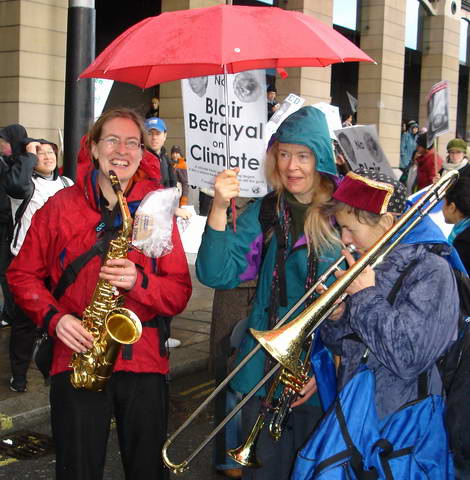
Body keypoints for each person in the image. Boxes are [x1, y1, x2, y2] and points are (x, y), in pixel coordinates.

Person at [7, 107, 192, 480]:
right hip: (76, 357)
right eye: (111, 139)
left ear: (142, 153)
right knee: (77, 469)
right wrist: (54, 319)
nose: (121, 150)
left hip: (143, 362)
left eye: (132, 142)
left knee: (146, 470)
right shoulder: (59, 207)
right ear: (92, 147)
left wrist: (139, 282)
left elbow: (178, 293)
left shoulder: (157, 209)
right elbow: (22, 275)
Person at [196, 106, 342, 480]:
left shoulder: (343, 215)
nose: (292, 165)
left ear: (320, 158)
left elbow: (359, 303)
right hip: (263, 371)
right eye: (284, 153)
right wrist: (218, 206)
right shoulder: (265, 212)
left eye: (303, 155)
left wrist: (327, 366)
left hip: (322, 376)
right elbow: (217, 273)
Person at [319, 168, 459, 419]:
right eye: (341, 228)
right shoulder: (369, 264)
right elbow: (344, 347)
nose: (345, 239)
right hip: (356, 413)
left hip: (403, 427)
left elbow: (407, 358)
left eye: (351, 229)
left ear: (386, 224)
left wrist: (364, 296)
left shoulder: (432, 271)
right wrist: (337, 317)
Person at [4, 138, 73, 392]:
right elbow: (13, 183)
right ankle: (19, 374)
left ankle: (53, 367)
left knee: (59, 318)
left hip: (59, 265)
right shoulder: (24, 185)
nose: (47, 157)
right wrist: (28, 154)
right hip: (27, 266)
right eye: (40, 153)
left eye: (50, 152)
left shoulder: (67, 184)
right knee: (25, 323)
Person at [0, 124, 28, 327]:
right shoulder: (7, 162)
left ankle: (13, 313)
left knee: (9, 272)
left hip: (13, 228)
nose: (2, 146)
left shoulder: (23, 166)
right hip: (6, 226)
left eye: (5, 142)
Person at [442, 176, 470, 273]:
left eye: (444, 203)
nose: (442, 208)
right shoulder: (463, 228)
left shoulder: (463, 243)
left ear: (452, 207)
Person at [144, 117, 176, 188]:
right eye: (150, 133)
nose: (154, 137)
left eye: (158, 133)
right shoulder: (138, 161)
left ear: (165, 136)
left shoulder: (166, 158)